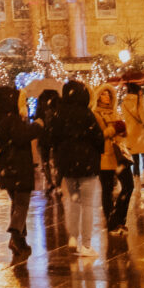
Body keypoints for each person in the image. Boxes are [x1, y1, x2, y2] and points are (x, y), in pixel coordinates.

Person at [48, 79, 106, 263]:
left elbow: (51, 138)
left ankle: (73, 237)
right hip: (87, 164)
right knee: (88, 204)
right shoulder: (87, 114)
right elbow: (98, 138)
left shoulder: (59, 115)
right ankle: (86, 245)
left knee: (73, 201)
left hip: (67, 165)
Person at [0, 85, 43, 255]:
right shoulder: (13, 119)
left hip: (6, 167)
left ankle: (21, 240)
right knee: (22, 203)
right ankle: (15, 235)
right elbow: (20, 137)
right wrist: (37, 126)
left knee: (16, 202)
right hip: (18, 166)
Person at [93, 85, 134, 235]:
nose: (107, 97)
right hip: (105, 156)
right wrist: (112, 130)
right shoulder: (95, 114)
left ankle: (119, 218)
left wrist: (123, 130)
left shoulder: (115, 112)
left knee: (129, 186)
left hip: (119, 155)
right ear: (98, 97)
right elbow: (97, 136)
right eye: (103, 94)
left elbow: (122, 134)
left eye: (109, 95)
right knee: (107, 190)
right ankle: (112, 224)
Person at [121, 84, 144, 194]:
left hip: (131, 133)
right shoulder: (140, 101)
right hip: (141, 132)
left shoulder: (124, 103)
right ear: (138, 90)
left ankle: (136, 184)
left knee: (135, 159)